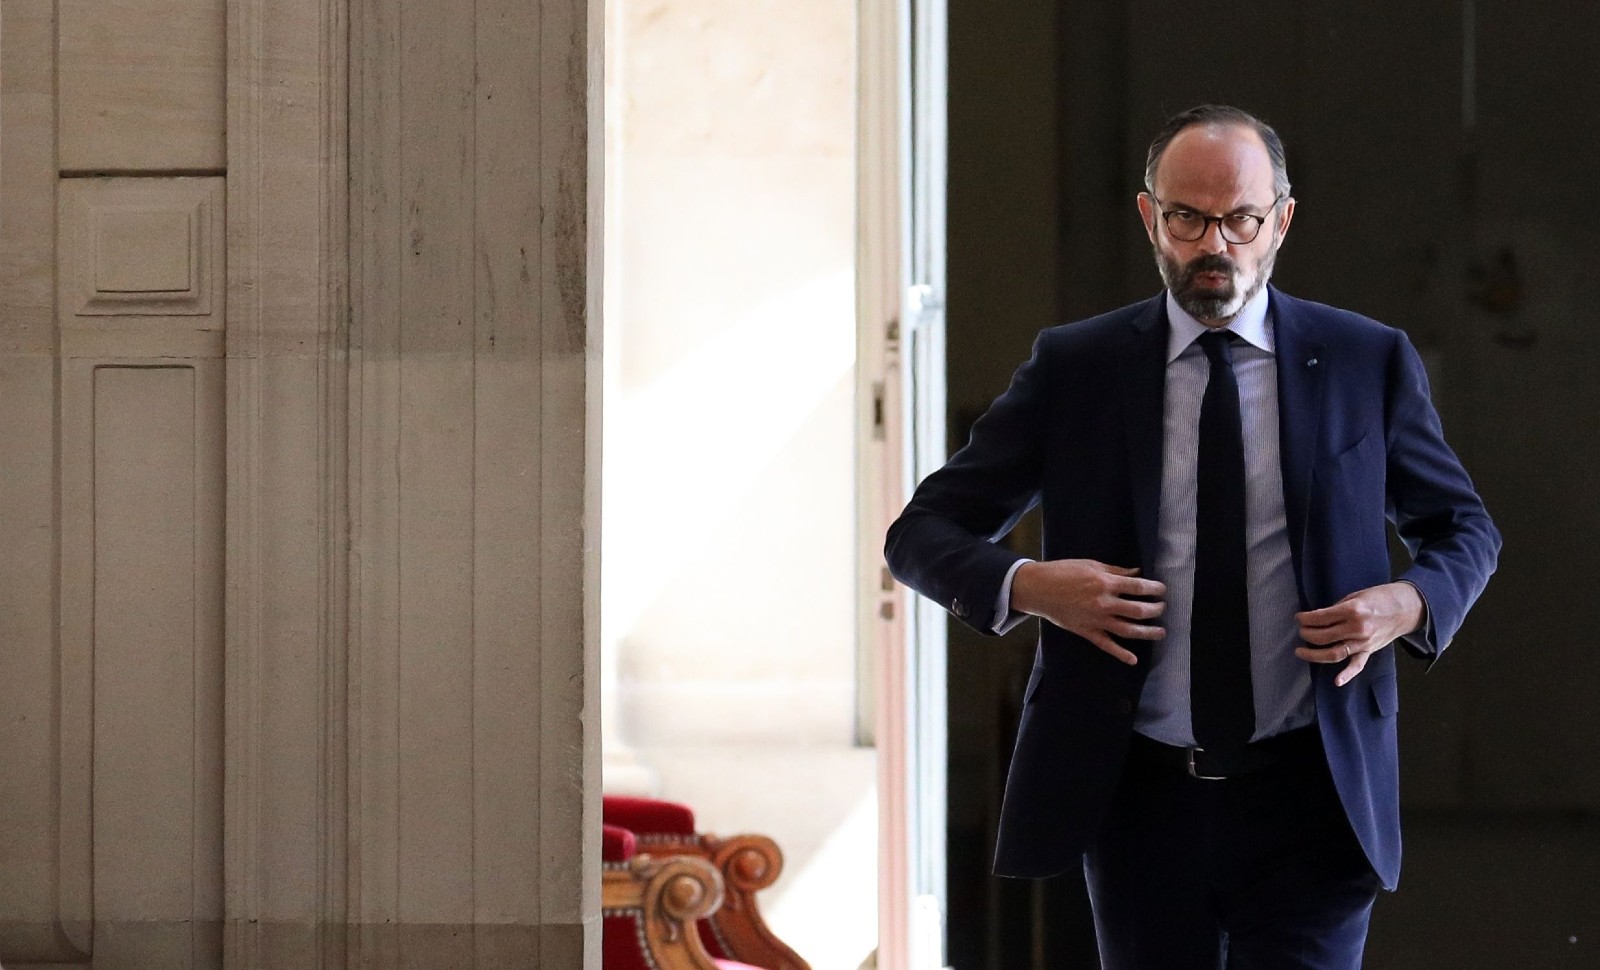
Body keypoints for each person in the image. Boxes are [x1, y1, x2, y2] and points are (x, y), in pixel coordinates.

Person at [884, 104, 1500, 969]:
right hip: (1140, 797)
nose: (1216, 245)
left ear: (1281, 220)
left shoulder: (1365, 359)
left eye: (1241, 219)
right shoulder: (1078, 367)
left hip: (1316, 791)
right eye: (1187, 218)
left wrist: (1409, 602)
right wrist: (1032, 586)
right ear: (1149, 216)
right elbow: (920, 532)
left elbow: (1464, 528)